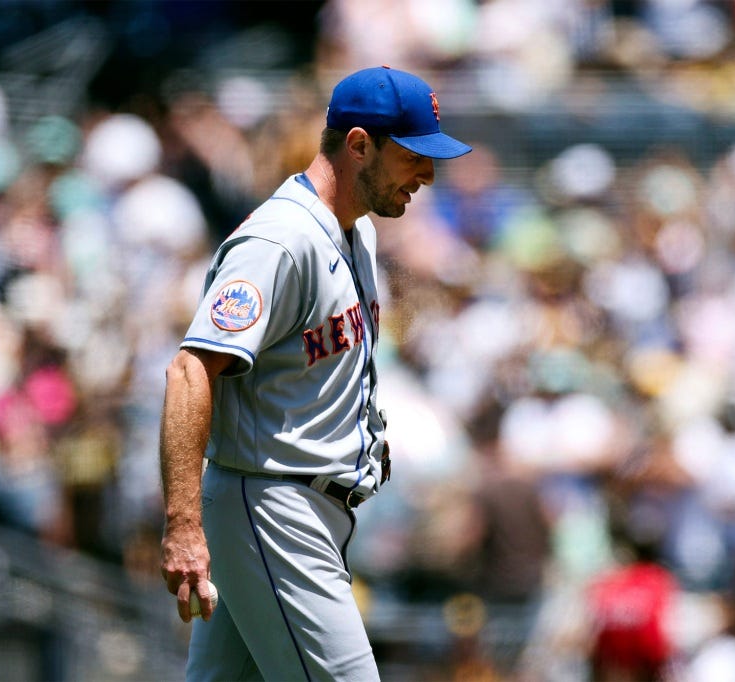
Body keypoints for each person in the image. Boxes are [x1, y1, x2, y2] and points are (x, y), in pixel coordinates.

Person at [158, 66, 472, 681]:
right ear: (359, 145)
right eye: (413, 156)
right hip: (273, 503)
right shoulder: (282, 241)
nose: (428, 174)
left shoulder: (357, 234)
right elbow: (190, 370)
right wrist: (184, 525)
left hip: (308, 506)